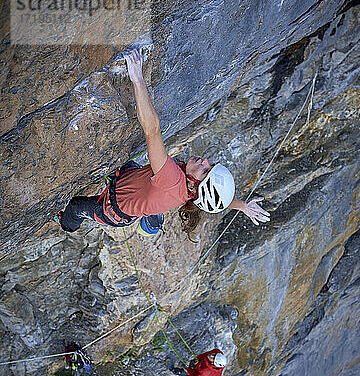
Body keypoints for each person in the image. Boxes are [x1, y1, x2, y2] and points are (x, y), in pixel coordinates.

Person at [56, 49, 270, 239]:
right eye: (210, 165)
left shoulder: (172, 180)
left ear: (195, 186)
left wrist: (137, 79)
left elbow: (152, 130)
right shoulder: (192, 190)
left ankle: (64, 224)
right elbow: (216, 198)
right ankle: (152, 219)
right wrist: (242, 206)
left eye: (204, 170)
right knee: (135, 168)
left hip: (115, 209)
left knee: (76, 207)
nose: (204, 161)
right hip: (138, 182)